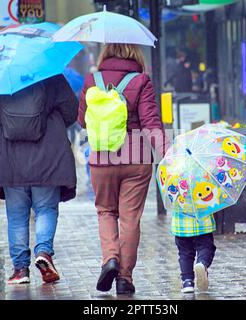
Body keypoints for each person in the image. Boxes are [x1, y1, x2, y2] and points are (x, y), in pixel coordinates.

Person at [78, 43, 170, 295]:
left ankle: (110, 259)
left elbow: (81, 119)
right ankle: (125, 277)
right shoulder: (141, 80)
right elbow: (151, 121)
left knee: (106, 211)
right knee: (130, 218)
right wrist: (167, 154)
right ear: (135, 53)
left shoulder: (91, 80)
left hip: (101, 158)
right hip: (136, 158)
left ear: (105, 53)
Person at [0, 75, 78, 284]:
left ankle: (21, 269)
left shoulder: (0, 76)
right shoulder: (51, 74)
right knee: (46, 208)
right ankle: (44, 252)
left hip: (8, 156)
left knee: (17, 214)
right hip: (47, 154)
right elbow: (71, 111)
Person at [172, 211, 216, 293]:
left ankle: (187, 282)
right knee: (205, 247)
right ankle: (202, 263)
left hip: (181, 226)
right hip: (203, 225)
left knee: (185, 253)